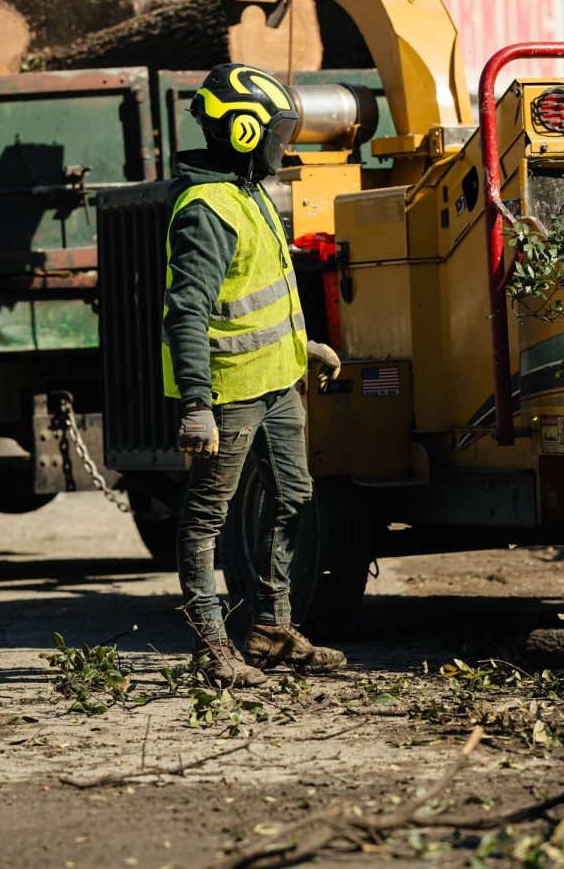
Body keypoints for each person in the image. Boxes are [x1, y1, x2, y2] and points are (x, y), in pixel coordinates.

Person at [162, 63, 347, 687]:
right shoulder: (207, 209)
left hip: (276, 383)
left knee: (293, 499)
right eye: (278, 132)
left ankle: (271, 630)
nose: (284, 144)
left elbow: (260, 294)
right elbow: (187, 309)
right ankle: (209, 646)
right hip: (229, 392)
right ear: (245, 132)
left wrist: (307, 347)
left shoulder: (247, 191)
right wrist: (196, 403)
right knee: (206, 519)